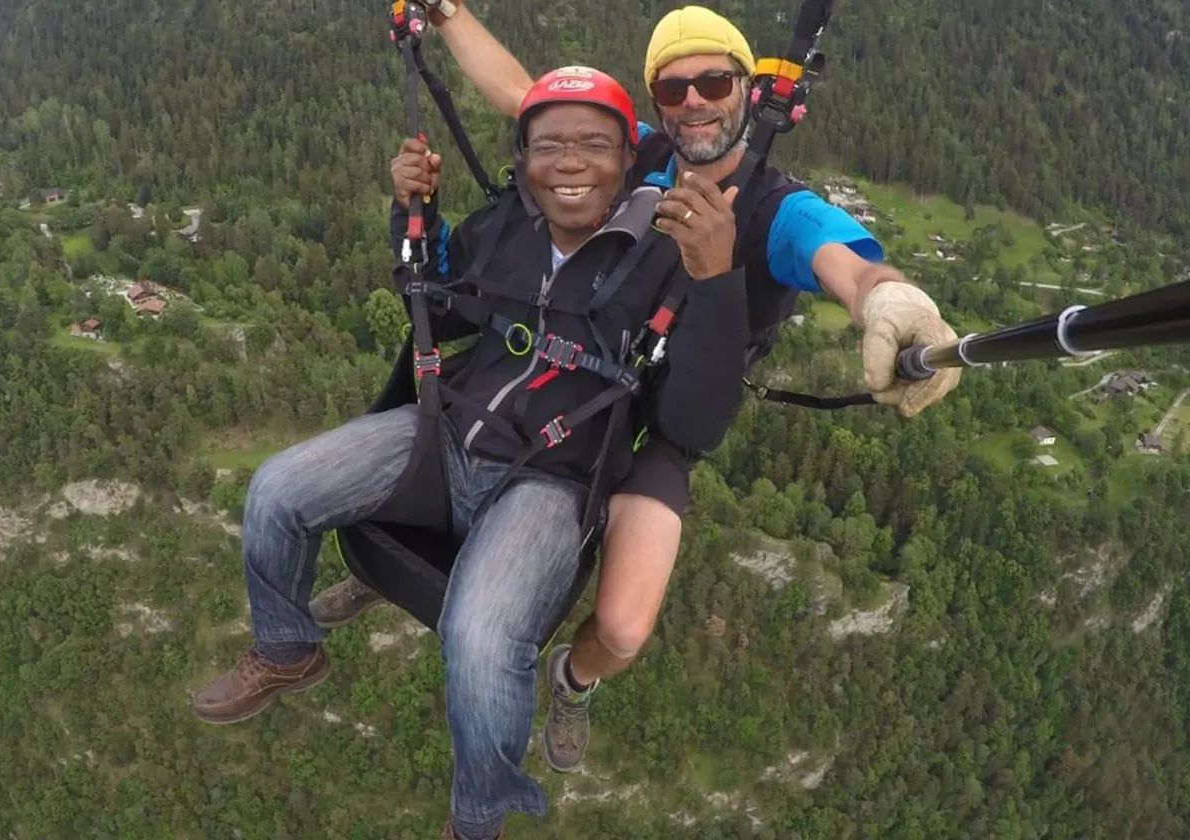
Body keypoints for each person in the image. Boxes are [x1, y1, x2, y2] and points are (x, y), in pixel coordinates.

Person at [310, 1, 964, 776]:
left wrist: (889, 301)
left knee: (622, 625)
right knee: (461, 439)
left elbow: (847, 266)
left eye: (714, 83)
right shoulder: (641, 152)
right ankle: (388, 574)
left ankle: (574, 680)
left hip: (662, 414)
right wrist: (447, 14)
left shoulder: (777, 210)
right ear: (655, 101)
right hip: (582, 367)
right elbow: (522, 94)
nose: (694, 103)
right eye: (673, 88)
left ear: (748, 89)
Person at [193, 66, 756, 840]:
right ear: (523, 159)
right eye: (548, 145)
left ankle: (478, 818)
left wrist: (718, 283)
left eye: (594, 145)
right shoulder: (506, 228)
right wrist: (413, 211)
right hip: (449, 433)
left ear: (630, 160)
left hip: (550, 482)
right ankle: (288, 648)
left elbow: (693, 423)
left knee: (482, 639)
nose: (569, 162)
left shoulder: (670, 258)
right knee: (276, 489)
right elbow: (432, 296)